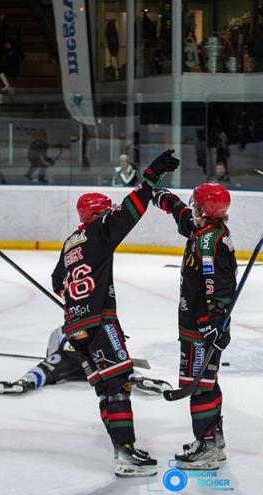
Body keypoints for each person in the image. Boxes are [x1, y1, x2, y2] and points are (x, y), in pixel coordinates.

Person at [50, 149, 179, 477]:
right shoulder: (99, 233)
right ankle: (125, 452)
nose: (109, 213)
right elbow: (129, 212)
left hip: (74, 328)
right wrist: (150, 178)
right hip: (99, 321)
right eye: (104, 211)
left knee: (105, 388)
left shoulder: (69, 243)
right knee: (119, 384)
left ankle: (119, 446)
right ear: (95, 215)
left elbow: (56, 281)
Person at [150, 182, 236, 470]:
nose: (193, 208)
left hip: (201, 330)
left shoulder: (208, 243)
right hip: (198, 325)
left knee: (196, 386)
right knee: (207, 382)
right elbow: (182, 215)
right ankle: (214, 440)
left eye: (196, 204)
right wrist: (164, 198)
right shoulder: (204, 232)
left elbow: (219, 286)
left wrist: (216, 322)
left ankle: (206, 445)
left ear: (205, 209)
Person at [0, 328, 171, 395]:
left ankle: (25, 383)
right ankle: (138, 379)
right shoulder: (97, 326)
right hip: (95, 362)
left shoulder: (59, 331)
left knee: (48, 366)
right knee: (116, 364)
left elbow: (50, 358)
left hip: (68, 362)